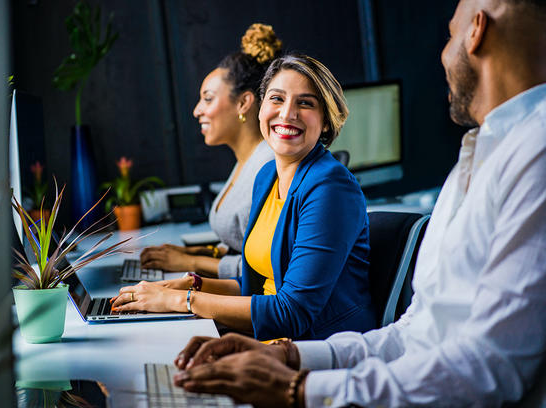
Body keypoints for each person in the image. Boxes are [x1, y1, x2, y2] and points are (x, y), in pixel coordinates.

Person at [172, 0, 546, 406]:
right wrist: (286, 356)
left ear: (476, 30)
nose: (443, 53)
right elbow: (414, 334)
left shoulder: (535, 153)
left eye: (450, 34)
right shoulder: (479, 155)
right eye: (276, 99)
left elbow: (490, 368)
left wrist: (297, 388)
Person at [111, 54, 377, 341]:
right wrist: (187, 286)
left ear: (325, 122)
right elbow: (256, 288)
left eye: (305, 103)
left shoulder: (330, 187)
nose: (287, 113)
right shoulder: (266, 176)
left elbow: (292, 312)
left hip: (319, 348)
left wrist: (182, 301)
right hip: (271, 338)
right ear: (261, 108)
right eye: (276, 99)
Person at [139, 23, 278, 279]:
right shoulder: (246, 161)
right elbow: (242, 245)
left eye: (208, 98)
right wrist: (198, 253)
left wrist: (190, 263)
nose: (197, 110)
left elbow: (263, 270)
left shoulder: (268, 167)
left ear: (244, 102)